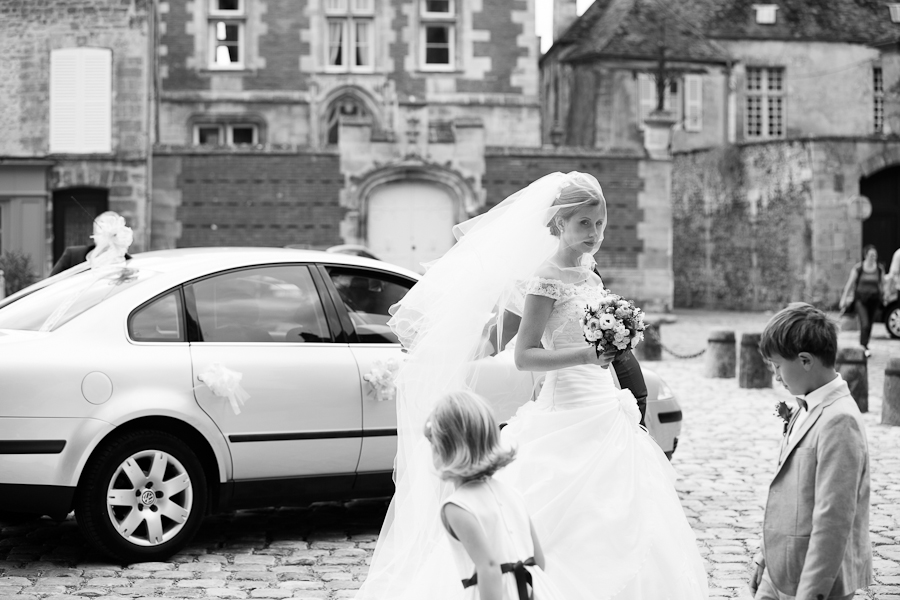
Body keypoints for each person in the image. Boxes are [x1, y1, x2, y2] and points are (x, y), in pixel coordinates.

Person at [355, 172, 708, 600]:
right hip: (566, 410)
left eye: (600, 223)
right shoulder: (545, 277)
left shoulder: (589, 272)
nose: (594, 233)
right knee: (556, 508)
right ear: (559, 224)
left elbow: (592, 341)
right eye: (584, 224)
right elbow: (524, 356)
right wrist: (585, 355)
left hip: (605, 407)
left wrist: (616, 348)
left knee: (627, 510)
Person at [750, 303, 871, 600]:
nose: (777, 376)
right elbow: (785, 493)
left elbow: (834, 520)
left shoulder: (839, 420)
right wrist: (765, 557)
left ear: (805, 361)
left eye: (778, 366)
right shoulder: (806, 404)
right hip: (781, 568)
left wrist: (810, 594)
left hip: (814, 580)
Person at [426, 390, 565, 600]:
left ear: (447, 449)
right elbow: (538, 560)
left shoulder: (457, 506)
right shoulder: (512, 493)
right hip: (533, 590)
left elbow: (489, 567)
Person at [49, 211, 132, 276]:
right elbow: (48, 284)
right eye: (100, 229)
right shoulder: (73, 255)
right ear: (94, 234)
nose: (105, 236)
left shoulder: (129, 263)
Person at [839, 245, 884, 356]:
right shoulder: (858, 268)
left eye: (875, 255)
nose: (874, 257)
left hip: (874, 300)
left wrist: (885, 296)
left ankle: (865, 344)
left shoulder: (879, 268)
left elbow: (882, 285)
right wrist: (844, 298)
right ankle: (863, 346)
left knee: (870, 324)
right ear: (866, 255)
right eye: (871, 255)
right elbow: (849, 285)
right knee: (865, 323)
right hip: (861, 300)